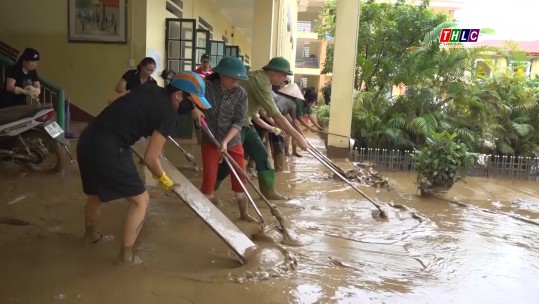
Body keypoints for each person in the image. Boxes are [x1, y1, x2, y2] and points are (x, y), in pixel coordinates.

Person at [77, 71, 211, 264]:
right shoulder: (168, 115)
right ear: (179, 95)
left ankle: (89, 235)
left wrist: (193, 109)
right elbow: (150, 158)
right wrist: (166, 181)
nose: (193, 108)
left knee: (96, 194)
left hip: (88, 138)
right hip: (109, 148)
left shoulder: (150, 88)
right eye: (193, 103)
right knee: (141, 201)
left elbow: (117, 102)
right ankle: (126, 257)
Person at [214, 57, 308, 200]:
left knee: (261, 155)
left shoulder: (263, 82)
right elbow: (276, 115)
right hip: (233, 124)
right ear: (272, 71)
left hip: (246, 122)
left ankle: (268, 191)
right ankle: (210, 188)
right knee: (231, 161)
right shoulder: (260, 82)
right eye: (283, 75)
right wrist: (298, 136)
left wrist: (272, 127)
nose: (284, 79)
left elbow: (264, 109)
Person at [199, 57, 255, 221]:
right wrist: (195, 111)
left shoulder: (241, 94)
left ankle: (244, 214)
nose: (235, 82)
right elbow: (191, 99)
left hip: (232, 141)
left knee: (240, 176)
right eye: (232, 78)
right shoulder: (206, 88)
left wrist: (225, 142)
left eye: (238, 79)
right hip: (210, 140)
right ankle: (205, 216)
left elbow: (239, 122)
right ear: (221, 74)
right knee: (209, 178)